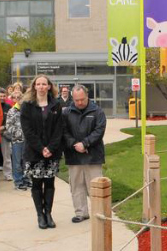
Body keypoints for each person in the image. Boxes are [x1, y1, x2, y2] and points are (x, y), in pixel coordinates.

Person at [20, 75, 62, 229]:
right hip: (34, 152)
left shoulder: (56, 105)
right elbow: (27, 131)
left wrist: (50, 148)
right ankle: (40, 215)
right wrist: (41, 148)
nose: (42, 87)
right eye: (39, 84)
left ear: (49, 86)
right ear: (34, 86)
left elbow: (59, 130)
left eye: (45, 84)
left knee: (50, 182)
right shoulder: (27, 105)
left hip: (52, 152)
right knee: (37, 183)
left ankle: (48, 213)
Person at [62, 84, 106, 223]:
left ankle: (98, 213)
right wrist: (75, 144)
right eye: (77, 100)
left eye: (82, 99)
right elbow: (63, 131)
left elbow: (99, 130)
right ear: (72, 98)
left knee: (95, 185)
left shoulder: (98, 111)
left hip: (93, 155)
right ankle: (81, 212)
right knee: (76, 185)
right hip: (73, 155)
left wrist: (85, 143)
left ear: (87, 96)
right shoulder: (66, 112)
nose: (80, 102)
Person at [5, 91, 28, 191]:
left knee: (26, 161)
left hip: (27, 140)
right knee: (17, 162)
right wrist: (18, 133)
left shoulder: (27, 110)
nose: (18, 99)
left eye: (20, 97)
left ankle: (26, 179)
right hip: (17, 140)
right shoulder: (11, 111)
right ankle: (18, 181)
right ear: (13, 99)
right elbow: (8, 126)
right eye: (16, 97)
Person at [0, 88, 13, 181]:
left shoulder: (8, 106)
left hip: (4, 133)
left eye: (3, 96)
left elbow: (10, 120)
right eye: (0, 96)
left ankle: (8, 174)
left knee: (6, 155)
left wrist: (4, 127)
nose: (2, 98)